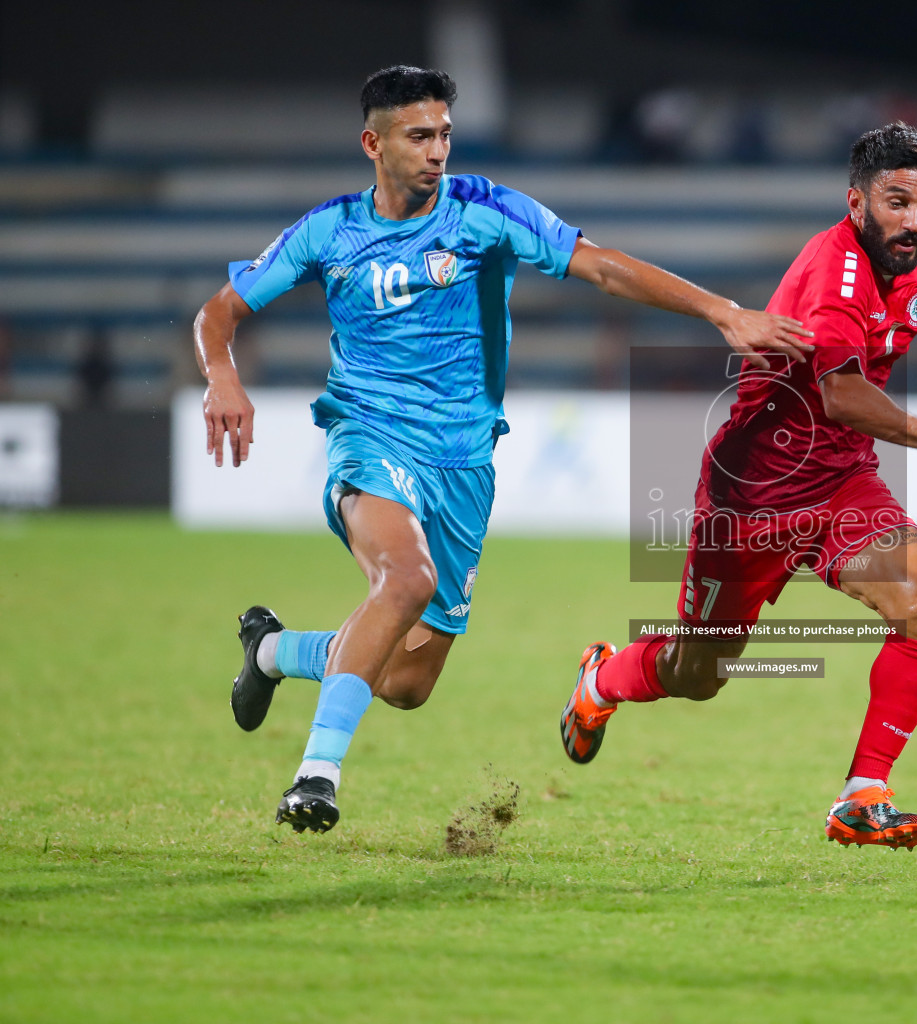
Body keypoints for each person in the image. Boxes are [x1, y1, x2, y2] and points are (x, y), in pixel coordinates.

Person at [195, 66, 812, 833]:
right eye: (419, 136)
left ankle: (272, 653)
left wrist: (721, 311)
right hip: (371, 434)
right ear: (372, 143)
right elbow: (220, 311)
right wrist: (222, 376)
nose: (437, 151)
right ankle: (315, 778)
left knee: (410, 681)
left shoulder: (485, 211)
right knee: (405, 579)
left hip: (464, 462)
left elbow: (603, 266)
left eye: (445, 134)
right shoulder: (328, 231)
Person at [560, 122, 917, 850]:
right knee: (698, 672)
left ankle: (863, 793)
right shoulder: (833, 276)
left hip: (841, 485)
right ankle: (602, 681)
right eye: (896, 202)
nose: (912, 221)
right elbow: (842, 397)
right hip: (749, 501)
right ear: (856, 203)